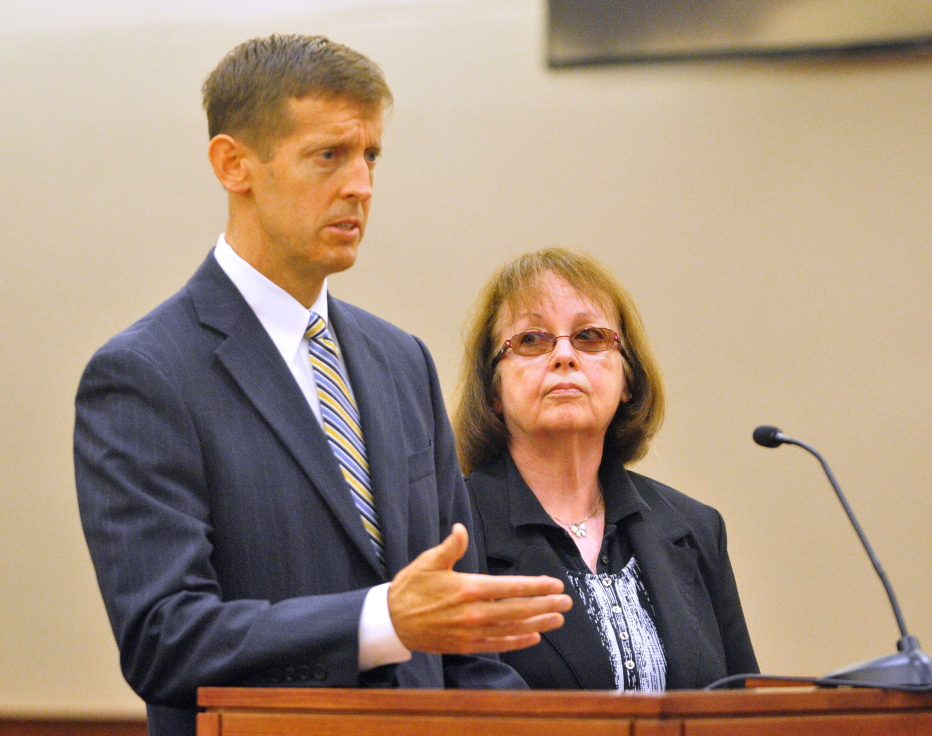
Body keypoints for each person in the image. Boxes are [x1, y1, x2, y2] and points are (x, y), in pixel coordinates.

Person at [74, 34, 570, 736]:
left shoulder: (402, 361)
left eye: (370, 156)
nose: (361, 185)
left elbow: (460, 633)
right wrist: (381, 620)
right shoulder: (145, 374)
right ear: (233, 164)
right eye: (328, 155)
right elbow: (165, 638)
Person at [454, 247, 758, 690]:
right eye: (532, 340)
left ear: (627, 381)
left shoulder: (694, 528)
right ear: (494, 390)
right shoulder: (452, 527)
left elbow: (744, 710)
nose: (564, 357)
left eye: (590, 337)